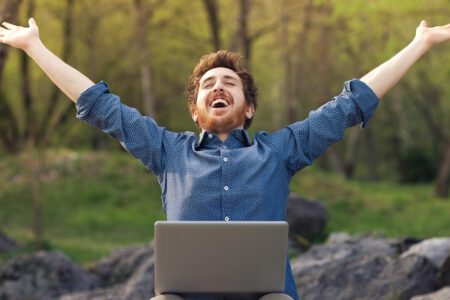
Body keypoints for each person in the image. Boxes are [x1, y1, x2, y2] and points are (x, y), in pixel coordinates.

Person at [1, 17, 449, 300]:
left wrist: (421, 44)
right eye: (208, 85)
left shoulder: (280, 151)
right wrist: (34, 47)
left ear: (248, 108)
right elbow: (99, 105)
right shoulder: (166, 151)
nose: (218, 87)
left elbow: (350, 105)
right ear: (194, 110)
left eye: (229, 83)